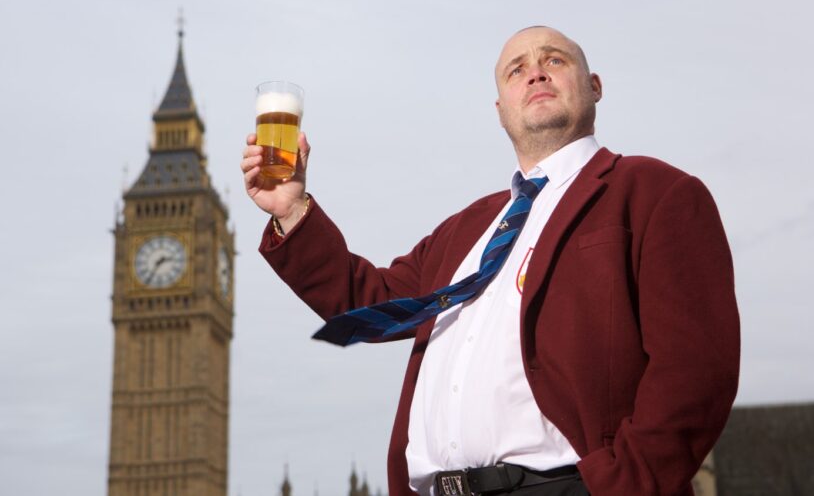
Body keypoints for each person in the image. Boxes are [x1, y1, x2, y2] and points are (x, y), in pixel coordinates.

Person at [241, 26, 740, 496]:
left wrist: (620, 485)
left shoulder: (653, 192)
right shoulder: (467, 229)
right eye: (516, 69)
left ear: (594, 86)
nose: (536, 73)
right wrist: (291, 210)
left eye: (554, 61)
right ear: (501, 109)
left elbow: (695, 371)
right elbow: (364, 301)